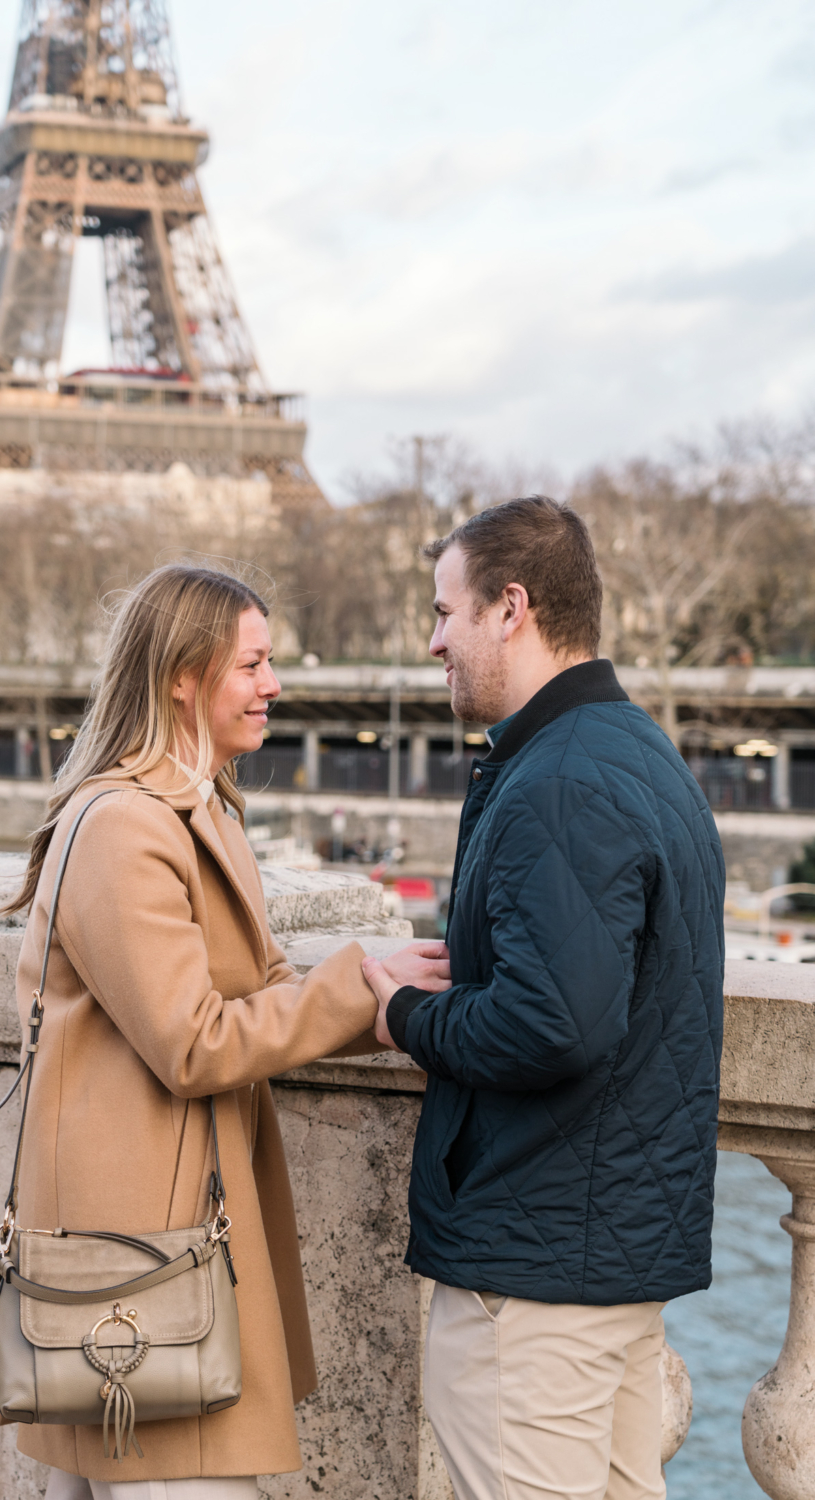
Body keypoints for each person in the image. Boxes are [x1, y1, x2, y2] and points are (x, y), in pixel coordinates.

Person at [4, 564, 449, 1500]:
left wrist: (383, 996)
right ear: (181, 675)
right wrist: (357, 989)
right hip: (142, 1273)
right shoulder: (131, 825)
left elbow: (270, 989)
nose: (274, 683)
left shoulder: (199, 808)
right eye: (252, 663)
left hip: (147, 1257)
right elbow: (195, 1041)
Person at [361, 497, 725, 1500]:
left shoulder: (555, 780)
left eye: (444, 611)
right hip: (613, 1254)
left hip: (533, 1273)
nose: (433, 641)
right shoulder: (639, 753)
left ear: (508, 607)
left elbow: (551, 1022)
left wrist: (400, 1014)